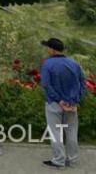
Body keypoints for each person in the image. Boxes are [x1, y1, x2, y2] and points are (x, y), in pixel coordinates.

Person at [40, 38, 87, 169]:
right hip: (71, 104)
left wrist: (59, 100)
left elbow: (46, 85)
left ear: (52, 50)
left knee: (55, 132)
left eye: (48, 48)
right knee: (71, 131)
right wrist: (74, 100)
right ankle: (72, 160)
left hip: (54, 103)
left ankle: (59, 161)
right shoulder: (74, 63)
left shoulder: (47, 64)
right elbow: (82, 84)